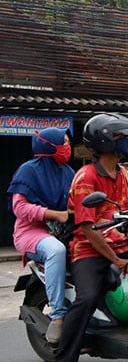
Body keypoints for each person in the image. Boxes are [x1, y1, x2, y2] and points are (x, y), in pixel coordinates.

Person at [46, 113, 128, 362]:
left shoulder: (123, 174)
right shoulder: (86, 177)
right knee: (87, 297)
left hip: (120, 242)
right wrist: (115, 259)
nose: (125, 142)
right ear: (104, 141)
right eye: (119, 137)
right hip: (89, 248)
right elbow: (88, 229)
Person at [8, 128, 74, 345]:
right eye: (62, 142)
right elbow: (20, 208)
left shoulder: (68, 172)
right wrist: (54, 214)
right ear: (49, 145)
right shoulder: (27, 171)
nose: (67, 147)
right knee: (56, 250)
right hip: (32, 232)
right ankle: (57, 315)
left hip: (63, 230)